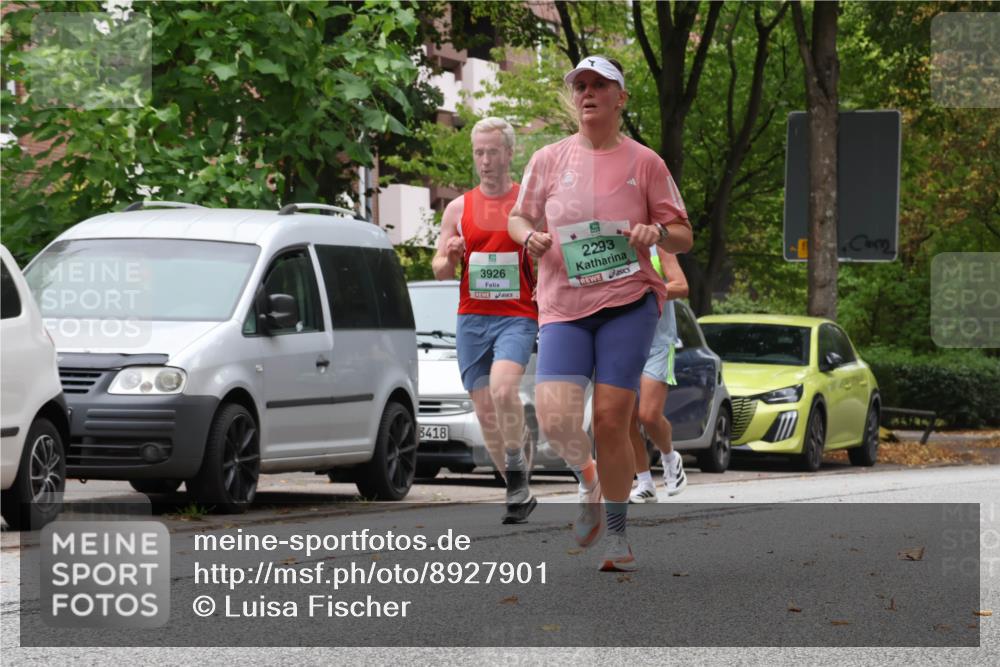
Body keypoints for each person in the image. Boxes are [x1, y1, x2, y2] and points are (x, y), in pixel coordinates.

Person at [508, 56, 693, 571]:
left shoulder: (645, 163)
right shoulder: (548, 159)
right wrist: (529, 236)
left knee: (611, 419)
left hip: (628, 302)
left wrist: (657, 232)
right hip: (563, 304)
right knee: (554, 419)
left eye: (599, 85)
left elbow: (683, 234)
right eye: (581, 85)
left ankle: (617, 536)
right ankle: (588, 479)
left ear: (620, 98)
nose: (587, 93)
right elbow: (519, 217)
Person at [432, 117, 539, 525]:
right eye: (479, 152)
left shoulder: (527, 204)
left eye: (493, 152)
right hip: (473, 319)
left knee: (503, 388)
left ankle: (515, 463)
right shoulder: (459, 208)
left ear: (509, 153)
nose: (486, 160)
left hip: (517, 316)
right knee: (485, 413)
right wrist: (450, 255)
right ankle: (517, 488)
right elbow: (440, 269)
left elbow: (548, 254)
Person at [629, 248, 689, 503]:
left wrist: (649, 289)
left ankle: (670, 458)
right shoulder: (609, 241)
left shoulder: (658, 244)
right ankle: (644, 482)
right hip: (622, 342)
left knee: (648, 415)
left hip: (658, 342)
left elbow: (681, 286)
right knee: (626, 417)